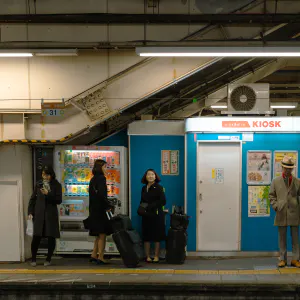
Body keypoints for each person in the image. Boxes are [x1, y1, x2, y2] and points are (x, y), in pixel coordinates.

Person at [28, 165, 62, 267]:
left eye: (47, 175)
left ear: (51, 175)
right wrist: (30, 212)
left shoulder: (56, 185)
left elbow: (58, 200)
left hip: (50, 214)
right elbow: (33, 199)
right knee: (36, 236)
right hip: (39, 214)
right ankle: (33, 258)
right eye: (43, 174)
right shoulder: (38, 184)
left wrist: (48, 194)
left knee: (51, 236)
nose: (45, 177)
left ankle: (48, 258)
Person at [269, 156, 300, 268]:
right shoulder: (275, 181)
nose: (288, 170)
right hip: (281, 212)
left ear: (292, 169)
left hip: (295, 213)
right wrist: (276, 206)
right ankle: (282, 259)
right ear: (282, 167)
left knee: (295, 238)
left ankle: (295, 259)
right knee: (282, 237)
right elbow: (271, 196)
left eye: (290, 168)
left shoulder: (297, 181)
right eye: (286, 168)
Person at [88, 159, 112, 265]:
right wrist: (108, 206)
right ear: (100, 167)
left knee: (98, 234)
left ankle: (93, 254)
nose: (106, 169)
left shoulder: (93, 179)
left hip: (94, 209)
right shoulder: (102, 178)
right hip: (101, 210)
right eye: (105, 167)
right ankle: (101, 256)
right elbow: (102, 195)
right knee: (102, 234)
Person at [140, 169, 166, 263]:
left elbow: (163, 201)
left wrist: (151, 206)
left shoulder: (159, 187)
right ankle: (147, 256)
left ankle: (156, 256)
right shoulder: (144, 188)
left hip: (156, 215)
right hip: (146, 215)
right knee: (146, 235)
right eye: (148, 174)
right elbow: (142, 200)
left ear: (155, 176)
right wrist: (141, 209)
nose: (150, 176)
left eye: (152, 174)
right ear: (145, 177)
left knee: (156, 236)